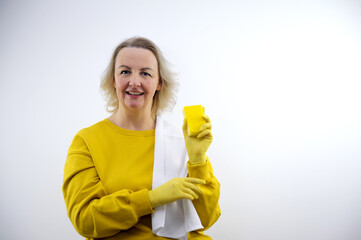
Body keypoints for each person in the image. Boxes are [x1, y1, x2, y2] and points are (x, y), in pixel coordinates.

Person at [62, 37, 221, 240]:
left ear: (159, 83)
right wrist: (151, 199)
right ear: (113, 79)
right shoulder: (87, 141)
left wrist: (198, 160)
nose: (134, 82)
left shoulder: (180, 140)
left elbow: (205, 219)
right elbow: (84, 219)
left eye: (145, 73)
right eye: (125, 71)